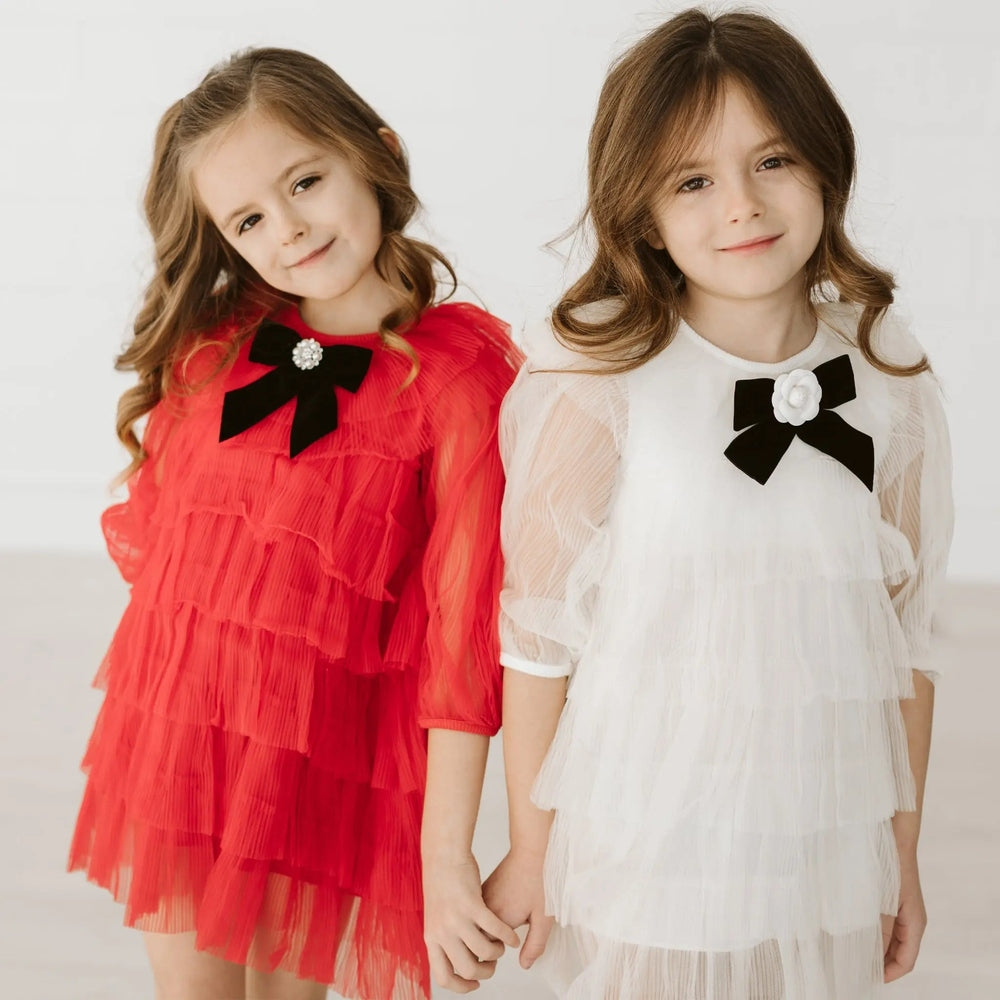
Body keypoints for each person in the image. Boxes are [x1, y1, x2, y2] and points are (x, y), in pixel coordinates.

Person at [483, 9, 954, 999]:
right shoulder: (602, 374)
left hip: (821, 832)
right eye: (692, 180)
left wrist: (899, 855)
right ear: (643, 211)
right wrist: (531, 846)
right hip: (651, 830)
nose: (741, 204)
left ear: (825, 164)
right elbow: (537, 643)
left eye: (773, 160)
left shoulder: (885, 371)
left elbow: (905, 647)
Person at [68, 46, 521, 1000]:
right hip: (180, 742)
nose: (289, 229)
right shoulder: (212, 352)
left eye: (305, 181)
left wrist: (447, 855)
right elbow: (170, 568)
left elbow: (463, 643)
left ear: (376, 153)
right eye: (248, 219)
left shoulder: (458, 385)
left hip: (318, 764)